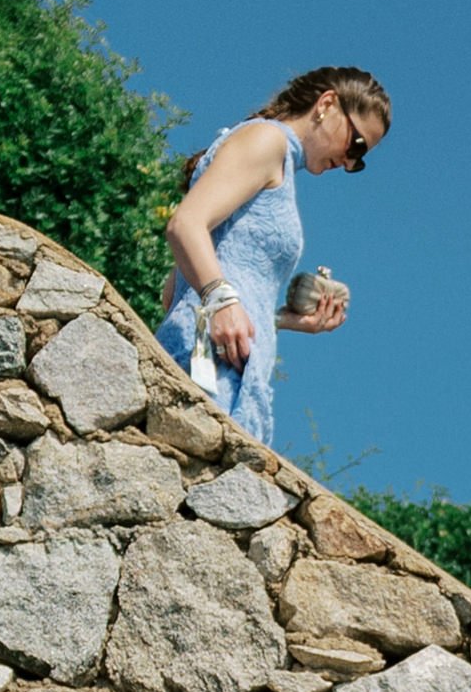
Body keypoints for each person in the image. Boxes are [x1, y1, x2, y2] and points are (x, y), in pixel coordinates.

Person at [157, 67, 391, 446]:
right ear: (326, 104)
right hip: (206, 370)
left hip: (219, 365)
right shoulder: (268, 141)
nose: (349, 163)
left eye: (359, 161)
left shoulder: (275, 158)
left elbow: (174, 294)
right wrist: (222, 300)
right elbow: (185, 225)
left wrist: (277, 320)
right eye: (357, 145)